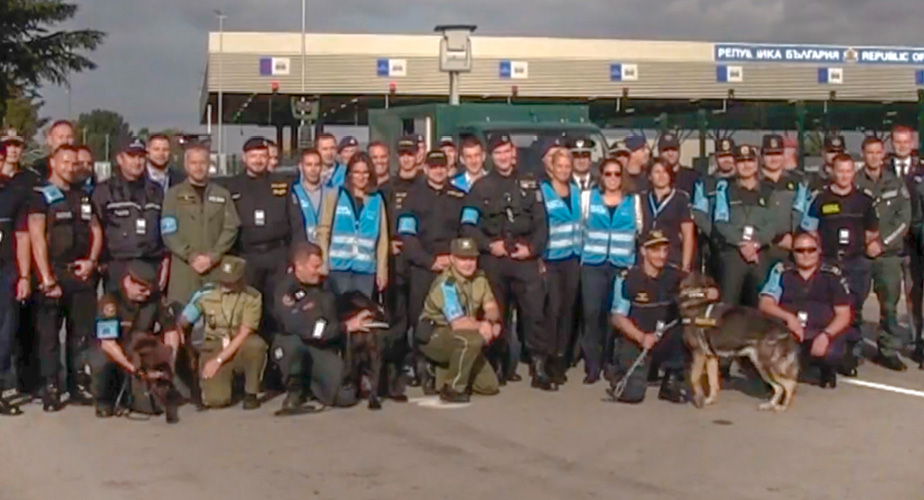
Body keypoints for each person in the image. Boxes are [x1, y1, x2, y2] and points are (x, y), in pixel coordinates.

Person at [461, 133, 549, 389]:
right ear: (491, 156)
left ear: (514, 153)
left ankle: (539, 367)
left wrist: (532, 249)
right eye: (497, 152)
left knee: (534, 314)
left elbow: (542, 222)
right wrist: (490, 245)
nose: (502, 156)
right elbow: (468, 225)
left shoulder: (530, 183)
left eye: (506, 151)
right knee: (496, 313)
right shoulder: (481, 187)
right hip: (494, 259)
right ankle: (497, 365)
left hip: (524, 258)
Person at [28, 145, 103, 411]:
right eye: (65, 162)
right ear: (53, 162)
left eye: (75, 163)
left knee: (80, 334)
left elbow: (96, 230)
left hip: (80, 274)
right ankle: (51, 386)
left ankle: (77, 384)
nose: (71, 167)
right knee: (49, 335)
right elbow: (36, 236)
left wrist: (92, 262)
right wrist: (47, 277)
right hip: (54, 274)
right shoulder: (40, 195)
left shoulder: (83, 196)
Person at [801, 154, 882, 376]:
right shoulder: (820, 199)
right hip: (828, 261)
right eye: (840, 170)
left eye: (848, 171)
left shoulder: (864, 200)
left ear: (853, 173)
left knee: (854, 310)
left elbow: (872, 231)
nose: (844, 175)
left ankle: (850, 355)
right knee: (827, 311)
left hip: (856, 262)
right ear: (832, 171)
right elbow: (809, 228)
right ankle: (827, 358)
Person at [272, 242, 376, 411]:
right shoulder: (286, 290)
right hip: (299, 343)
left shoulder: (326, 284)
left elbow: (336, 312)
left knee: (346, 397)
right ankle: (295, 392)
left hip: (322, 346)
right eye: (315, 266)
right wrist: (344, 327)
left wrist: (358, 316)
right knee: (292, 346)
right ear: (299, 266)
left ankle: (316, 385)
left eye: (321, 265)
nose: (320, 270)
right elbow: (303, 328)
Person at [610, 230, 710, 403]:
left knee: (683, 330)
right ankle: (620, 373)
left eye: (664, 250)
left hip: (663, 337)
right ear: (643, 251)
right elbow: (617, 317)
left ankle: (671, 380)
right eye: (655, 250)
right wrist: (641, 337)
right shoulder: (628, 279)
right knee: (633, 395)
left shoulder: (674, 275)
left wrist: (708, 291)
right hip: (637, 339)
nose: (662, 256)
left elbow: (698, 288)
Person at [224, 136, 306, 345]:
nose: (258, 160)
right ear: (245, 158)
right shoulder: (231, 186)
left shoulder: (282, 184)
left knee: (278, 311)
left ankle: (278, 360)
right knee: (248, 312)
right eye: (253, 156)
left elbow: (297, 224)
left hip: (277, 257)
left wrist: (295, 259)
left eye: (262, 155)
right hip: (247, 257)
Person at [87, 261, 182, 419]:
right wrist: (132, 368)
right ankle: (104, 401)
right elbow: (108, 343)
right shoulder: (110, 301)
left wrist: (168, 363)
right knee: (101, 359)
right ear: (128, 282)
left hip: (141, 349)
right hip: (117, 350)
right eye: (142, 289)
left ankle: (139, 396)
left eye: (149, 290)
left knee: (147, 406)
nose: (146, 294)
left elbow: (171, 331)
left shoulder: (155, 299)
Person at [759, 232, 853, 388]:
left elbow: (844, 315)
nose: (806, 254)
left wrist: (826, 335)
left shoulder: (832, 274)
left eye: (811, 249)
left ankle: (825, 370)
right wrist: (789, 318)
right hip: (790, 331)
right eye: (800, 250)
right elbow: (765, 303)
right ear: (792, 252)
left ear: (819, 250)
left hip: (821, 329)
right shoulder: (781, 270)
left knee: (831, 353)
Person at [416, 237, 502, 403]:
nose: (468, 263)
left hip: (460, 336)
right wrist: (482, 326)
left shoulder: (480, 279)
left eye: (472, 258)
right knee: (471, 340)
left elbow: (491, 307)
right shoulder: (446, 284)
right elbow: (458, 323)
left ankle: (442, 372)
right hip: (435, 335)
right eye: (463, 259)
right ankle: (452, 388)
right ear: (452, 259)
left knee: (489, 386)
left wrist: (490, 322)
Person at [177, 256, 267, 409]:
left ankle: (250, 392)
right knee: (216, 400)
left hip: (240, 345)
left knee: (256, 346)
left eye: (231, 281)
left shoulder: (252, 297)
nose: (226, 284)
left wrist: (218, 361)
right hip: (214, 344)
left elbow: (244, 332)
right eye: (223, 280)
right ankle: (225, 382)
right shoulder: (206, 294)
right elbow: (183, 321)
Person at [579, 158, 641, 384]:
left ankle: (609, 362)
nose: (612, 178)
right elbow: (580, 229)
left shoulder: (633, 202)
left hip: (621, 266)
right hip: (593, 265)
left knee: (613, 316)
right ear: (601, 176)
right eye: (608, 174)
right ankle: (592, 365)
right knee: (591, 313)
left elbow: (639, 233)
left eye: (617, 174)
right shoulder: (588, 198)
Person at [397, 150, 465, 347]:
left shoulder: (459, 196)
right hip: (422, 268)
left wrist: (454, 258)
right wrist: (430, 261)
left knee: (453, 316)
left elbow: (466, 231)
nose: (438, 171)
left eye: (441, 167)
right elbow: (407, 236)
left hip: (452, 267)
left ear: (448, 169)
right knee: (420, 318)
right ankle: (422, 366)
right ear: (426, 168)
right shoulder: (412, 197)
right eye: (433, 167)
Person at [161, 143, 241, 305]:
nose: (198, 167)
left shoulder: (222, 194)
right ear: (186, 165)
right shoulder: (173, 195)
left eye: (203, 162)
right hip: (184, 269)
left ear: (209, 164)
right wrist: (191, 256)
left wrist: (213, 257)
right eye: (194, 163)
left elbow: (231, 227)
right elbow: (168, 231)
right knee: (181, 320)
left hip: (215, 268)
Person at [856, 137, 910, 371]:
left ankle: (887, 350)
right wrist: (864, 242)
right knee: (854, 303)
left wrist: (882, 243)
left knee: (889, 305)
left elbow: (903, 219)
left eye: (878, 152)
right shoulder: (854, 182)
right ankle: (853, 349)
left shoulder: (895, 183)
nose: (874, 157)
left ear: (883, 155)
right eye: (870, 152)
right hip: (859, 254)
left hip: (887, 256)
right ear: (863, 154)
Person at [92, 138, 168, 293]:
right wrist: (101, 264)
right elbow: (95, 229)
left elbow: (165, 228)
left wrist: (165, 262)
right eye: (131, 156)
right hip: (117, 266)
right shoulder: (104, 191)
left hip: (150, 264)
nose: (137, 162)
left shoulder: (156, 191)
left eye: (140, 157)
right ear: (120, 159)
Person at [711, 145, 776, 307]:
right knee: (728, 305)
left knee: (762, 304)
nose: (746, 165)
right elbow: (720, 221)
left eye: (750, 161)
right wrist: (741, 243)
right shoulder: (724, 188)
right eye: (741, 161)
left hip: (760, 253)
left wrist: (755, 243)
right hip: (733, 253)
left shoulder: (769, 190)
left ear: (756, 163)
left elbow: (773, 223)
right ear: (735, 164)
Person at [377, 136, 421, 378]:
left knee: (420, 315)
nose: (407, 159)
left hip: (420, 261)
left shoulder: (425, 186)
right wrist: (387, 245)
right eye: (403, 154)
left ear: (418, 156)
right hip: (395, 261)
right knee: (397, 316)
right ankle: (397, 363)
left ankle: (419, 362)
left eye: (411, 154)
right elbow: (379, 223)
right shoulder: (387, 189)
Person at [539, 150, 583, 386]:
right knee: (553, 310)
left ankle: (562, 357)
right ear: (552, 168)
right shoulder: (544, 192)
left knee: (568, 310)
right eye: (561, 166)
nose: (565, 170)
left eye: (568, 166)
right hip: (551, 259)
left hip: (573, 258)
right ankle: (550, 358)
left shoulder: (576, 193)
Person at [317, 153, 389, 297]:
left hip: (365, 270)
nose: (360, 177)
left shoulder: (377, 199)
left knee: (361, 311)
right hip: (337, 268)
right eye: (356, 172)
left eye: (364, 173)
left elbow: (382, 239)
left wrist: (382, 269)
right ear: (349, 174)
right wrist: (324, 261)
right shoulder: (335, 195)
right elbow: (323, 231)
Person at [0, 146, 33, 415]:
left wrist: (23, 275)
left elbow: (22, 236)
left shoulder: (13, 193)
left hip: (6, 270)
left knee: (5, 333)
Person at [760, 134, 808, 264]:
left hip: (791, 247)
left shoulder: (797, 181)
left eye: (777, 153)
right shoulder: (754, 182)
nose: (774, 158)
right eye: (769, 154)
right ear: (762, 156)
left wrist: (795, 238)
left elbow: (802, 212)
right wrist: (776, 239)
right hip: (762, 248)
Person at [642, 158, 695, 272]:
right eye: (657, 172)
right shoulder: (642, 198)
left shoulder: (681, 198)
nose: (661, 176)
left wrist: (685, 265)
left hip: (671, 258)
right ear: (650, 176)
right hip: (645, 260)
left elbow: (688, 234)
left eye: (665, 172)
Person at [292, 148, 335, 244]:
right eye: (309, 165)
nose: (313, 169)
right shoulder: (293, 193)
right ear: (300, 167)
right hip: (301, 248)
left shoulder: (331, 194)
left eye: (317, 165)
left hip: (324, 247)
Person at [569, 137, 597, 220]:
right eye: (577, 157)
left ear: (590, 160)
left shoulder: (600, 183)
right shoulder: (565, 184)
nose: (581, 161)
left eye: (585, 156)